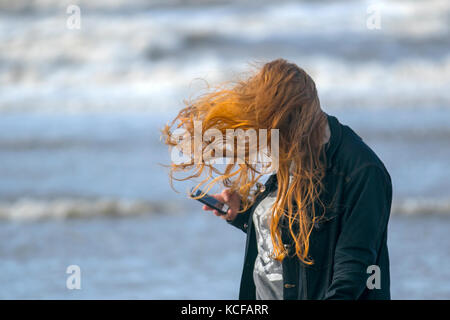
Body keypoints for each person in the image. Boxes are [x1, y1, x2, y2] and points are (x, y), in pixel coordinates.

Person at [163, 58, 393, 300]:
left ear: (297, 122)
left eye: (277, 133)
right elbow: (290, 239)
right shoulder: (294, 147)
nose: (273, 144)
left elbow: (351, 276)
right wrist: (245, 213)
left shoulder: (364, 173)